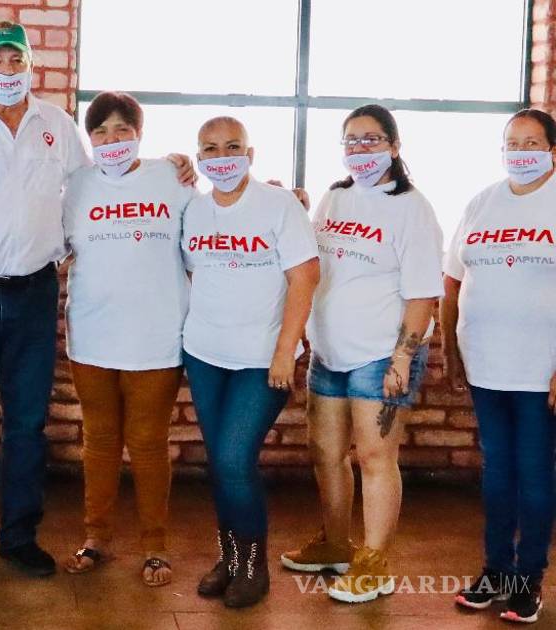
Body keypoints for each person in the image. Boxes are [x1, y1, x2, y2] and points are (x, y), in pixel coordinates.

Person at [0, 21, 194, 579]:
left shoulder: (57, 125)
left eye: (17, 60)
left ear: (31, 66)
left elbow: (101, 186)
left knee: (27, 423)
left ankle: (19, 537)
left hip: (34, 294)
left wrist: (172, 167)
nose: (7, 70)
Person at [282, 104, 443, 605]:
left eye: (371, 139)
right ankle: (336, 544)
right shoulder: (335, 197)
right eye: (351, 140)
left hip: (381, 356)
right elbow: (313, 261)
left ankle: (374, 564)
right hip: (330, 352)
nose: (360, 149)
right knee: (326, 454)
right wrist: (294, 208)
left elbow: (423, 294)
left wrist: (402, 358)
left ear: (394, 146)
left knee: (374, 457)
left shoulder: (412, 208)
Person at [182, 116, 319, 608]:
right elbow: (193, 272)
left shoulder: (279, 205)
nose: (222, 157)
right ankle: (230, 558)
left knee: (234, 459)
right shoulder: (193, 210)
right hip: (204, 354)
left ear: (250, 154)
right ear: (199, 158)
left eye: (232, 147)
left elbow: (305, 276)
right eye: (210, 149)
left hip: (263, 359)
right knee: (219, 463)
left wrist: (285, 350)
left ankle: (254, 565)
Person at [59, 91, 193, 587]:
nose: (111, 140)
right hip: (92, 334)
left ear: (140, 134)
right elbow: (51, 244)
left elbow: (213, 226)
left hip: (156, 336)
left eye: (122, 130)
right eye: (100, 131)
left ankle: (155, 546)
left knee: (148, 442)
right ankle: (96, 538)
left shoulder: (170, 178)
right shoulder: (76, 185)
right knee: (99, 441)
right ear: (89, 139)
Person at [444, 108, 556, 624]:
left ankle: (529, 578)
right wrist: (450, 348)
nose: (521, 152)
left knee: (534, 475)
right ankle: (496, 571)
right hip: (485, 364)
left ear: (552, 150)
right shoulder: (481, 202)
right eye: (513, 142)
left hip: (539, 371)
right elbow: (452, 281)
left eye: (532, 143)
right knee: (497, 474)